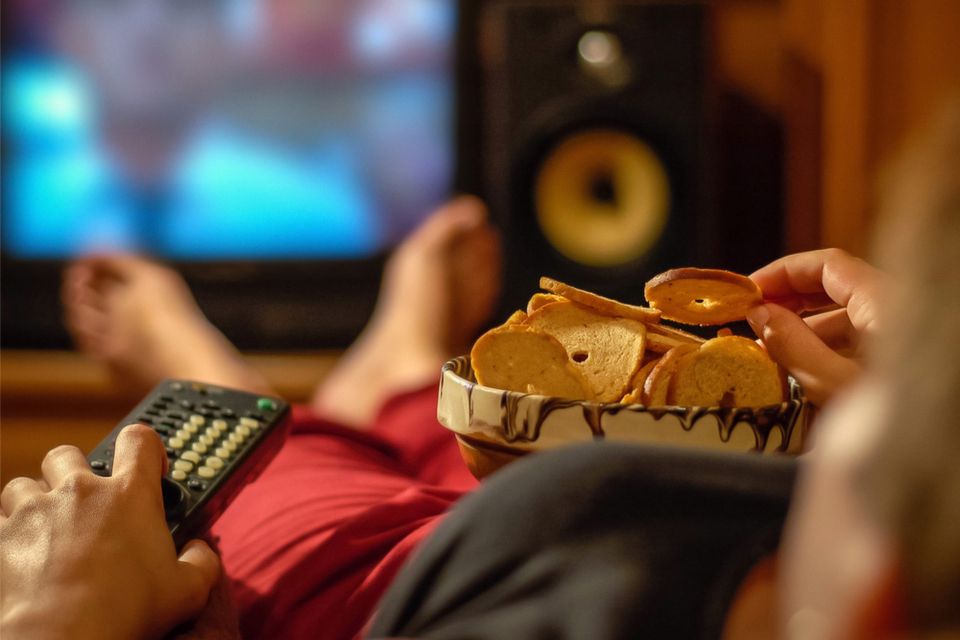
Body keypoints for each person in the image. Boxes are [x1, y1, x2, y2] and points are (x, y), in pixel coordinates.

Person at [2, 98, 958, 638]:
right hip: (444, 533)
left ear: (882, 587)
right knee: (441, 447)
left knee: (309, 482)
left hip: (358, 566)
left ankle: (225, 363)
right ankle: (401, 366)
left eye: (866, 452)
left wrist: (57, 623)